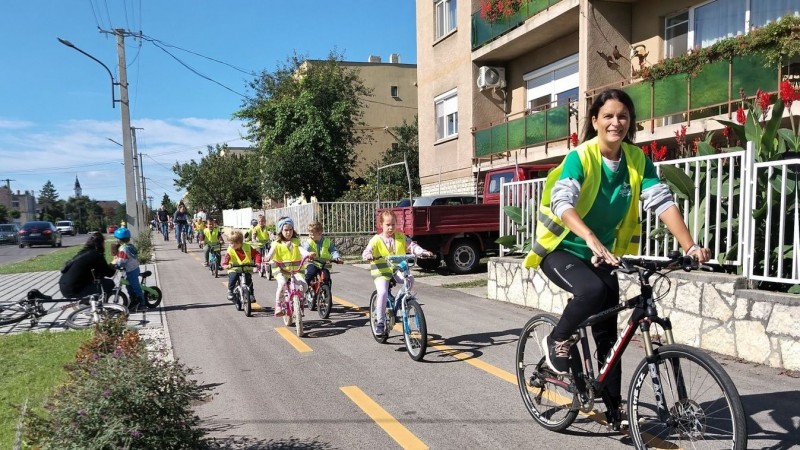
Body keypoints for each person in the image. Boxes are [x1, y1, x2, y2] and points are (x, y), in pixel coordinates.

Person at [522, 88, 711, 429]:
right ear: (594, 121)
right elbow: (563, 201)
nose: (616, 122)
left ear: (630, 122)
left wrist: (689, 246)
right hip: (562, 249)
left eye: (622, 116)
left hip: (603, 255)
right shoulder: (581, 157)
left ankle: (613, 411)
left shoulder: (636, 160)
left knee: (610, 338)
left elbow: (662, 202)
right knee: (591, 293)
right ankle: (557, 339)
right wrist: (590, 237)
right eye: (608, 116)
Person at [362, 210, 433, 335]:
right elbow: (367, 251)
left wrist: (423, 252)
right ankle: (380, 321)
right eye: (387, 225)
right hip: (381, 272)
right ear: (381, 225)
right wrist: (368, 256)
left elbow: (412, 246)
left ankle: (400, 300)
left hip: (396, 269)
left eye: (393, 225)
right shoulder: (376, 239)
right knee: (382, 292)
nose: (390, 228)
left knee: (410, 279)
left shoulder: (401, 237)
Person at [264, 216, 313, 317]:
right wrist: (268, 256)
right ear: (280, 230)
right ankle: (278, 305)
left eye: (291, 230)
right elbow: (271, 252)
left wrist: (307, 254)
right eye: (286, 230)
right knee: (282, 284)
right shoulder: (276, 243)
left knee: (304, 285)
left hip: (296, 270)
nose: (288, 232)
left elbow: (301, 249)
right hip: (281, 270)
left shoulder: (296, 241)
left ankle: (300, 301)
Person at [59, 231, 116, 300]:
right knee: (109, 283)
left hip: (64, 286)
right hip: (73, 290)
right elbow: (109, 273)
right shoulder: (96, 255)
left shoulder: (83, 252)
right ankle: (96, 305)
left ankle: (87, 303)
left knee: (100, 282)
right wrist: (114, 263)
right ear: (101, 243)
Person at [111, 227, 146, 312]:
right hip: (133, 268)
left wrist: (117, 264)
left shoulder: (123, 249)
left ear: (119, 240)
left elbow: (122, 261)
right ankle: (133, 300)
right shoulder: (130, 246)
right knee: (129, 286)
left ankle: (142, 303)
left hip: (131, 270)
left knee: (135, 287)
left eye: (117, 239)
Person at [221, 230, 261, 302]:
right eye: (229, 243)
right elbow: (226, 257)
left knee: (249, 281)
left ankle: (251, 294)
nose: (230, 245)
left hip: (246, 267)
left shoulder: (247, 247)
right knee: (233, 277)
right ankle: (230, 291)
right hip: (234, 268)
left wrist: (258, 262)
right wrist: (225, 264)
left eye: (232, 243)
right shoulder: (230, 249)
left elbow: (256, 254)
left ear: (239, 243)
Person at [303, 220, 341, 288]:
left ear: (319, 233)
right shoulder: (308, 242)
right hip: (313, 262)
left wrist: (337, 257)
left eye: (312, 233)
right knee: (310, 273)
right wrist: (308, 254)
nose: (310, 235)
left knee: (327, 278)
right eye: (309, 233)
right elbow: (304, 251)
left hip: (325, 263)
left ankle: (327, 293)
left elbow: (333, 250)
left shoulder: (327, 241)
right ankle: (305, 288)